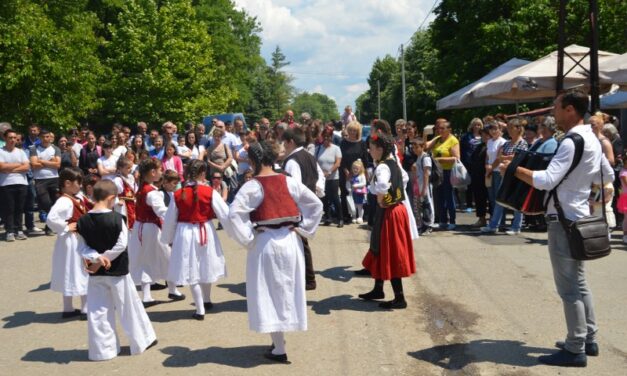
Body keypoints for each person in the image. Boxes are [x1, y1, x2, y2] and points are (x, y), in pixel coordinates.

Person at [506, 90, 613, 367]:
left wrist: (514, 168)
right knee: (579, 282)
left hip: (563, 220)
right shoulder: (592, 138)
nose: (552, 112)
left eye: (555, 107)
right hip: (579, 217)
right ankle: (588, 338)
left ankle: (575, 347)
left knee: (569, 288)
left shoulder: (570, 141)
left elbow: (546, 180)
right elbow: (608, 176)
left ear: (569, 110)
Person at [228, 141, 323, 363]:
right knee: (286, 289)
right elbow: (316, 205)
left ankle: (279, 346)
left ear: (252, 161)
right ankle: (279, 343)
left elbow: (234, 215)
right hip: (290, 241)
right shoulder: (288, 181)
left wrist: (249, 237)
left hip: (265, 242)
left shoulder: (252, 186)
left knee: (269, 291)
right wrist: (302, 227)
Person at [77, 179, 157, 361]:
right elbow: (121, 244)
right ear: (111, 198)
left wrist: (97, 258)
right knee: (128, 307)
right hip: (118, 272)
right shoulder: (117, 218)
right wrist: (104, 258)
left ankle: (102, 351)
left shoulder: (83, 221)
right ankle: (141, 341)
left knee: (98, 311)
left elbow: (81, 248)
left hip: (96, 274)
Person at [161, 160, 229, 320]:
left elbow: (170, 219)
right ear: (203, 173)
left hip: (185, 233)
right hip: (205, 230)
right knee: (205, 264)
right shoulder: (210, 191)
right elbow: (225, 214)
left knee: (192, 269)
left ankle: (200, 308)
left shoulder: (178, 194)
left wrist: (168, 238)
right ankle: (206, 301)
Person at [358, 133, 415, 309]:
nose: (369, 150)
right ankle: (378, 288)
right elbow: (404, 178)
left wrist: (383, 200)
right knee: (379, 248)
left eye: (372, 148)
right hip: (397, 210)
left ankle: (400, 298)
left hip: (389, 211)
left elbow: (382, 185)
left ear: (380, 149)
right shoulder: (393, 163)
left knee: (389, 250)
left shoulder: (383, 167)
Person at [129, 158, 184, 306]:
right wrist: (178, 218)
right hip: (152, 229)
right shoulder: (152, 192)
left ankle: (150, 294)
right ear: (153, 172)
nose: (161, 172)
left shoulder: (142, 188)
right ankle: (170, 289)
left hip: (141, 228)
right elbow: (162, 211)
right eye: (160, 170)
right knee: (169, 256)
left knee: (146, 260)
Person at [282, 127, 325, 291]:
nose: (284, 146)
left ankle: (308, 279)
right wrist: (316, 192)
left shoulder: (293, 161)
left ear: (291, 142)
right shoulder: (309, 156)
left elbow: (294, 187)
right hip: (307, 203)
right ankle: (306, 278)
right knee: (301, 241)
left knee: (300, 241)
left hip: (298, 206)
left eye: (284, 143)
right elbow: (320, 177)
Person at [46, 167, 89, 318]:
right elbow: (51, 218)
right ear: (68, 183)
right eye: (79, 182)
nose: (81, 185)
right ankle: (85, 308)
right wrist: (65, 227)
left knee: (70, 270)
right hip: (73, 241)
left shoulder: (77, 197)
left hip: (74, 240)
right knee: (80, 269)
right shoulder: (64, 201)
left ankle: (68, 308)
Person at [481, 118, 528, 235]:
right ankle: (493, 225)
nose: (509, 131)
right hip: (505, 174)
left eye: (511, 128)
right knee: (499, 199)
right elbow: (501, 157)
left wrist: (506, 157)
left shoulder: (523, 143)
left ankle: (516, 227)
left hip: (517, 175)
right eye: (509, 128)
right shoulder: (507, 143)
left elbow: (519, 158)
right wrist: (508, 157)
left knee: (516, 201)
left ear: (518, 129)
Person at [29, 129, 61, 236]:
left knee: (55, 203)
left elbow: (57, 165)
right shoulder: (34, 149)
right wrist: (50, 162)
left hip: (54, 179)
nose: (46, 139)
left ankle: (49, 227)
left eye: (48, 136)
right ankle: (53, 224)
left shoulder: (55, 148)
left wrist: (41, 161)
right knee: (46, 203)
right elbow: (33, 164)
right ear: (40, 138)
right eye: (44, 137)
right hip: (40, 180)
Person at [0, 128, 30, 241]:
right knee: (9, 209)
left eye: (14, 138)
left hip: (22, 183)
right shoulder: (1, 151)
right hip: (6, 184)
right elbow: (1, 167)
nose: (13, 140)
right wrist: (18, 165)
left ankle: (19, 230)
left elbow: (27, 167)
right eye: (10, 138)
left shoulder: (21, 152)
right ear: (5, 138)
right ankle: (10, 231)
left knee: (19, 208)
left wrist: (10, 168)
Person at [431, 121, 460, 230]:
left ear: (449, 130)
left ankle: (452, 220)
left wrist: (439, 159)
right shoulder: (438, 139)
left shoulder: (453, 140)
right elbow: (425, 146)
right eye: (439, 128)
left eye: (443, 128)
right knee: (439, 197)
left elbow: (456, 158)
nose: (440, 130)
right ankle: (443, 220)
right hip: (438, 172)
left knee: (449, 196)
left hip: (448, 172)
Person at [339, 121, 369, 223]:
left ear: (358, 131)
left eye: (354, 130)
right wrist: (346, 171)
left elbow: (365, 159)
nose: (352, 132)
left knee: (359, 194)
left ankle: (359, 214)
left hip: (359, 173)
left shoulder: (362, 143)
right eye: (350, 130)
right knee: (346, 193)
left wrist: (364, 173)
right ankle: (346, 215)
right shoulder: (343, 142)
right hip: (345, 172)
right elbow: (340, 158)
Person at [316, 126, 343, 227]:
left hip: (333, 177)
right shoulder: (318, 149)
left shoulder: (336, 148)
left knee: (335, 197)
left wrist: (329, 172)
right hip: (321, 178)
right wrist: (320, 172)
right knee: (324, 198)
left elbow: (338, 163)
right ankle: (328, 217)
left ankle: (340, 218)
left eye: (329, 136)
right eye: (325, 136)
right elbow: (315, 162)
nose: (326, 138)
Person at [411, 138, 434, 233]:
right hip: (419, 185)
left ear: (423, 147)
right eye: (413, 148)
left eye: (417, 147)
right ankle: (422, 224)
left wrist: (424, 188)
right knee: (421, 206)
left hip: (425, 186)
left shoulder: (426, 157)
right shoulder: (419, 157)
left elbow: (426, 173)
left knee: (428, 204)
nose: (415, 149)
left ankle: (429, 225)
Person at [460, 118, 483, 212]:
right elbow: (462, 149)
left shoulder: (483, 135)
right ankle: (469, 205)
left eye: (479, 124)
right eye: (475, 124)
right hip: (468, 163)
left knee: (479, 186)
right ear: (472, 126)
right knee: (469, 185)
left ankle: (480, 205)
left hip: (480, 164)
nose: (477, 126)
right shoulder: (466, 136)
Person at [469, 128, 490, 227]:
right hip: (477, 176)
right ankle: (482, 218)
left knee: (491, 199)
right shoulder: (479, 147)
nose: (484, 137)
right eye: (482, 135)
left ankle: (494, 219)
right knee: (479, 198)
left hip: (489, 175)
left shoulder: (493, 146)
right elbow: (472, 159)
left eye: (486, 135)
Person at [112, 157, 137, 230]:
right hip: (123, 205)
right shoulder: (118, 180)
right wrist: (117, 201)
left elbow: (135, 190)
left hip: (133, 204)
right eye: (128, 168)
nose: (130, 170)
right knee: (124, 225)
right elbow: (113, 193)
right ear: (120, 168)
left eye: (131, 167)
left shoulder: (131, 177)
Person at [348, 159, 367, 224]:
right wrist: (349, 188)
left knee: (360, 206)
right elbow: (349, 183)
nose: (355, 170)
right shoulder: (351, 176)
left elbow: (364, 183)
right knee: (353, 206)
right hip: (353, 193)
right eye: (354, 168)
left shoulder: (362, 175)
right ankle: (354, 217)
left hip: (360, 193)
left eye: (357, 168)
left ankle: (360, 217)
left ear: (361, 169)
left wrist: (356, 185)